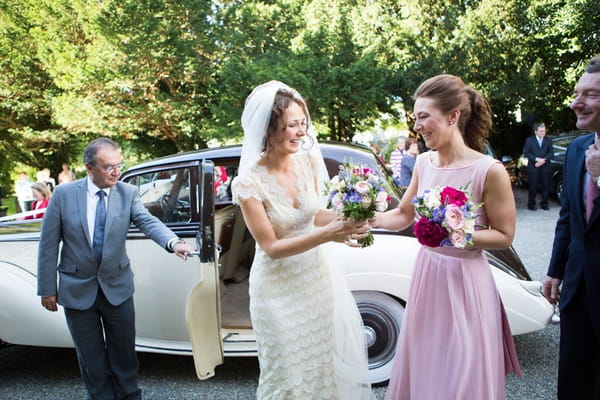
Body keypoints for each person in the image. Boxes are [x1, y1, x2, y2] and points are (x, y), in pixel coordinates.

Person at [373, 74, 521, 399]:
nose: (418, 126)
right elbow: (403, 215)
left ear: (452, 116)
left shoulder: (488, 170)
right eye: (415, 118)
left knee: (463, 373)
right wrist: (366, 218)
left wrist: (457, 232)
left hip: (467, 281)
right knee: (428, 367)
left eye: (424, 117)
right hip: (428, 278)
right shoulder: (424, 163)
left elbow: (504, 235)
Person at [231, 81, 372, 399]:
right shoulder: (248, 183)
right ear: (268, 130)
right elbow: (271, 247)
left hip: (314, 283)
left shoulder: (307, 162)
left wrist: (345, 226)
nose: (300, 132)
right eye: (291, 125)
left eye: (302, 124)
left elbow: (313, 215)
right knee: (286, 377)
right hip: (276, 291)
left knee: (320, 369)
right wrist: (327, 234)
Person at [37, 137, 195, 400]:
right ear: (90, 168)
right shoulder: (64, 196)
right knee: (91, 357)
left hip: (117, 287)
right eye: (108, 167)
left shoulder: (127, 192)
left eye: (118, 165)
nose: (116, 172)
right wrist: (46, 288)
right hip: (77, 290)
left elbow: (147, 221)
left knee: (124, 354)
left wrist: (173, 242)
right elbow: (48, 244)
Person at [542, 55, 600, 399]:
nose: (576, 102)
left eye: (591, 95)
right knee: (576, 383)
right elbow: (568, 218)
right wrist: (555, 270)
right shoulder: (578, 148)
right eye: (577, 93)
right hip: (577, 289)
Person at [522, 122, 553, 210]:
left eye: (544, 131)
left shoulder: (548, 140)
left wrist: (543, 160)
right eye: (540, 131)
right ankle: (531, 204)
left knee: (545, 186)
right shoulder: (529, 140)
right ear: (535, 132)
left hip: (545, 167)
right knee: (533, 186)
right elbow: (526, 153)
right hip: (533, 167)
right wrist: (536, 159)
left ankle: (544, 204)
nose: (543, 133)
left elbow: (551, 153)